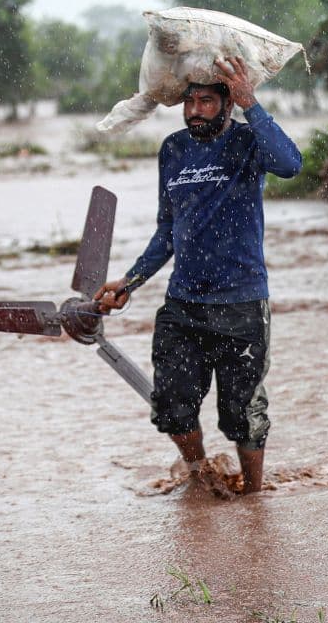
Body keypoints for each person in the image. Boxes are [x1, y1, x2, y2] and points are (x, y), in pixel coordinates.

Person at [95, 56, 302, 494]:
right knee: (171, 405)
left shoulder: (247, 143)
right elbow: (167, 231)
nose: (194, 111)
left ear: (227, 104)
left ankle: (253, 499)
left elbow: (290, 165)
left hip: (242, 304)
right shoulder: (172, 150)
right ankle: (198, 475)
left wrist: (252, 103)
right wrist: (129, 282)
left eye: (206, 101)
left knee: (242, 414)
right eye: (189, 102)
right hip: (183, 305)